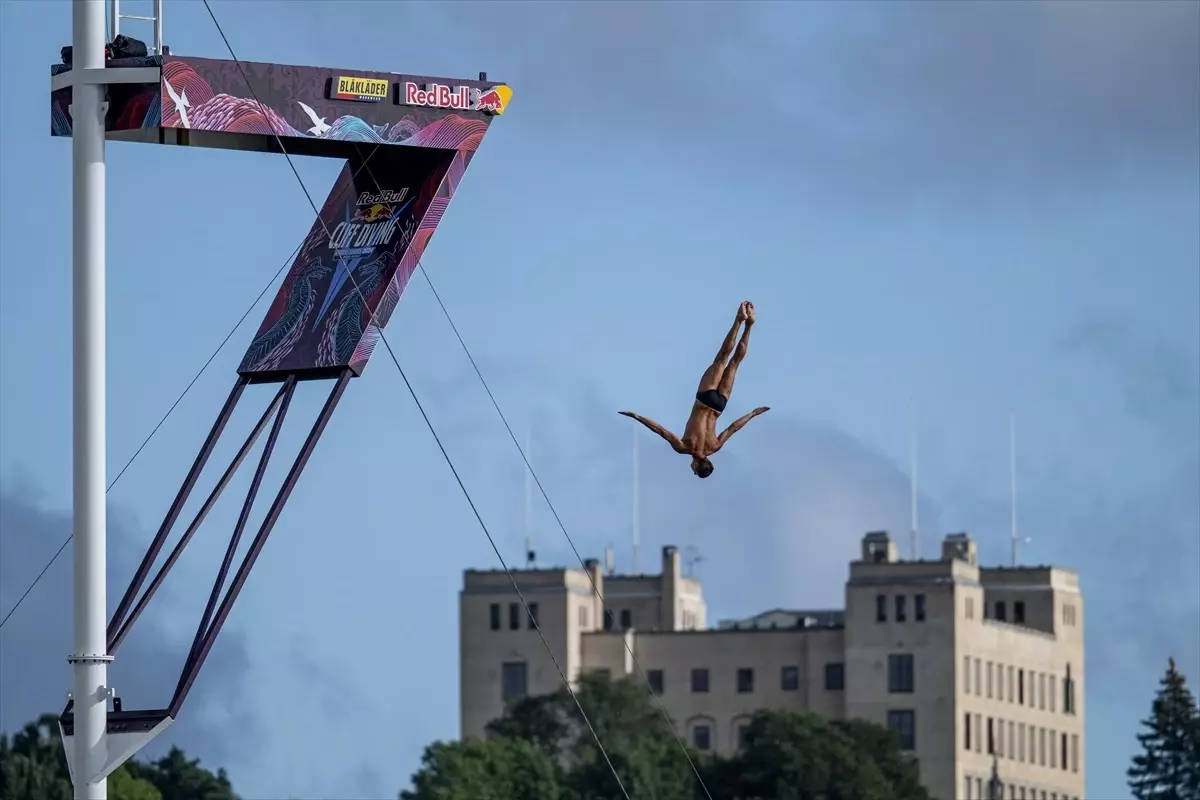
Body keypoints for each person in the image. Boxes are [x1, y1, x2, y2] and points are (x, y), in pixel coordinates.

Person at [620, 301, 769, 478]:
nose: (691, 468)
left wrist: (753, 413)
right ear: (697, 465)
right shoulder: (683, 447)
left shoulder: (715, 447)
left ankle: (748, 325)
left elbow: (733, 428)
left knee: (733, 363)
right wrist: (637, 417)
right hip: (704, 398)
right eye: (694, 469)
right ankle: (739, 320)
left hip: (719, 405)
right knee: (722, 359)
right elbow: (660, 430)